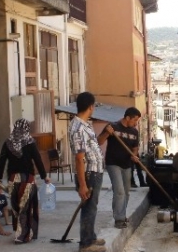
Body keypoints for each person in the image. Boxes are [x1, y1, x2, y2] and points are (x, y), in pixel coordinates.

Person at [0, 118, 50, 244]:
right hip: (28, 179)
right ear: (27, 128)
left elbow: (1, 161)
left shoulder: (8, 143)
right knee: (26, 207)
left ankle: (20, 233)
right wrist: (44, 176)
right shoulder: (30, 142)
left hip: (13, 180)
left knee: (16, 207)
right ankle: (23, 235)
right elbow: (37, 160)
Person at [69, 92, 107, 252]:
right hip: (89, 174)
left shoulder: (85, 125)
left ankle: (90, 236)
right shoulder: (78, 127)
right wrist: (83, 185)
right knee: (89, 208)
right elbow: (79, 158)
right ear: (90, 106)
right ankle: (85, 244)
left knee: (92, 206)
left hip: (95, 172)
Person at [98, 107, 142, 228]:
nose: (136, 123)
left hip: (127, 164)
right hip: (113, 163)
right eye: (135, 120)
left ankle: (122, 214)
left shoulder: (134, 132)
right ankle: (119, 218)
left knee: (126, 192)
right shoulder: (112, 126)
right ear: (127, 118)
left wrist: (134, 155)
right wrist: (107, 132)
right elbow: (99, 141)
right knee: (119, 191)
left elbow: (135, 147)